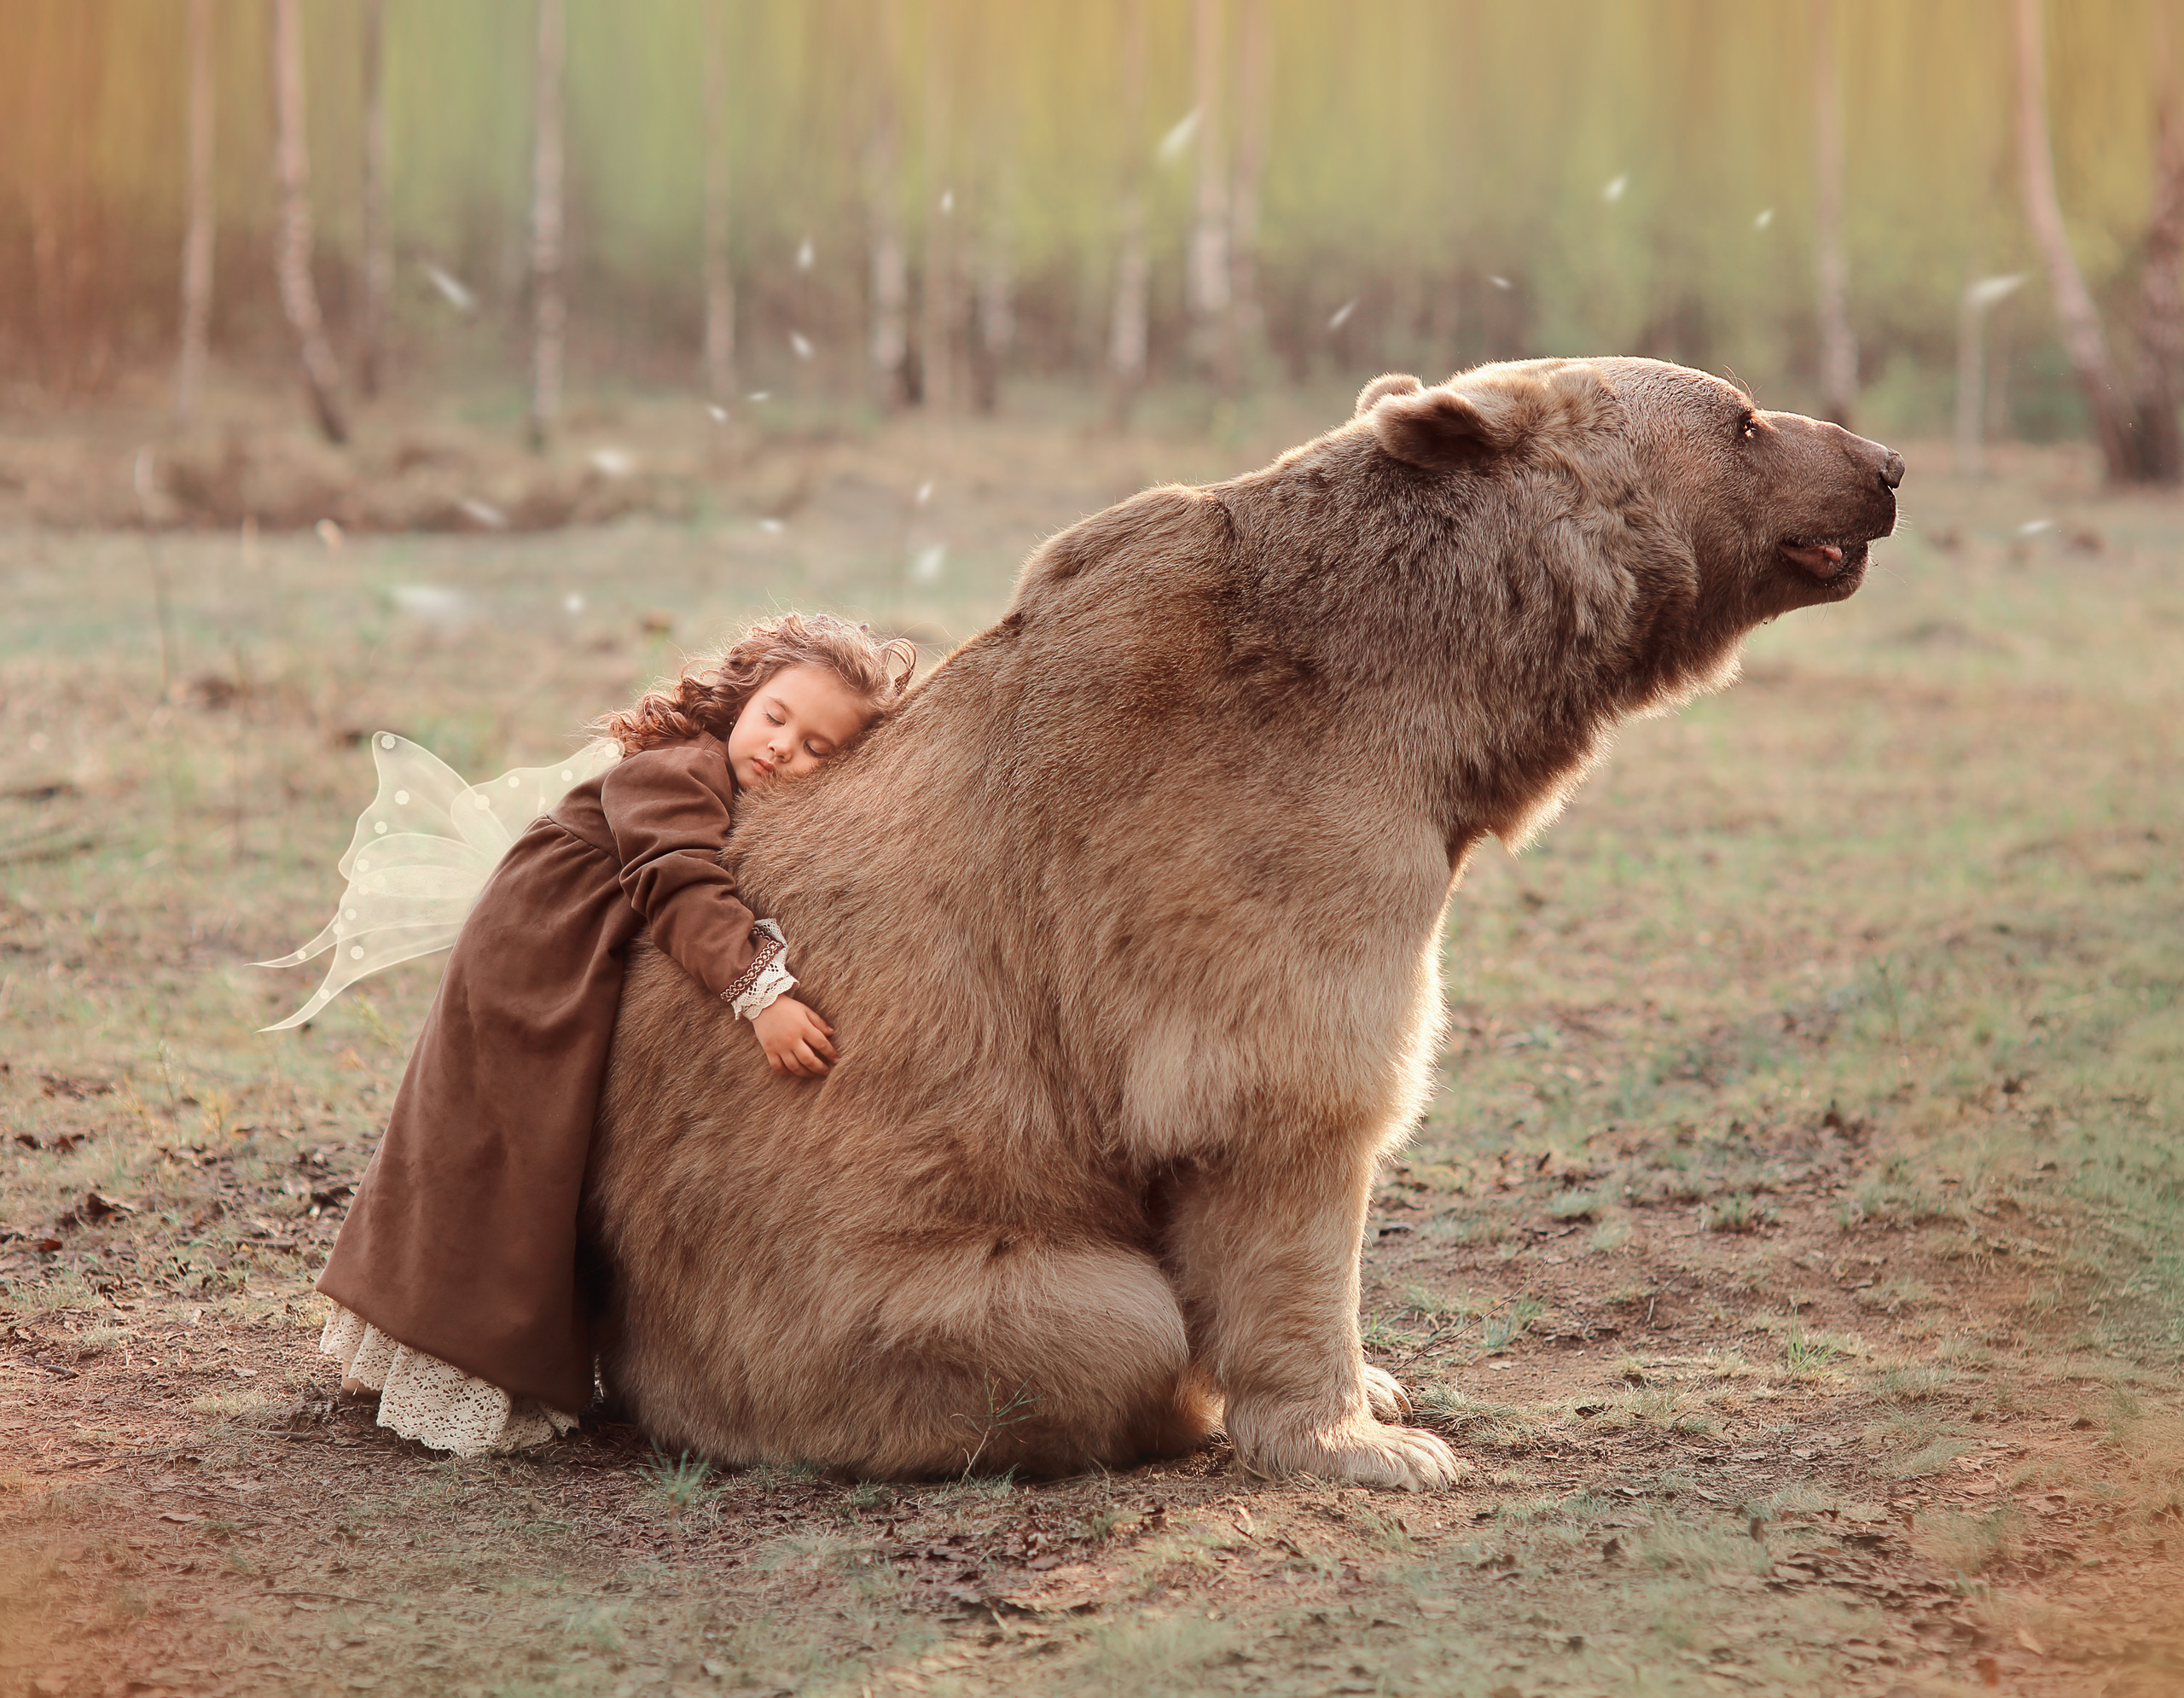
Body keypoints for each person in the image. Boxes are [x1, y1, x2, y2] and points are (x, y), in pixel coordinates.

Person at [311, 612, 915, 1457]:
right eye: (777, 716)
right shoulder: (678, 771)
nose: (784, 749)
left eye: (819, 747)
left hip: (577, 945)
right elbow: (680, 886)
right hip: (540, 954)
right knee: (515, 1151)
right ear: (745, 695)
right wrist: (761, 993)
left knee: (544, 1154)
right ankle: (460, 1354)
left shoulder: (731, 779)